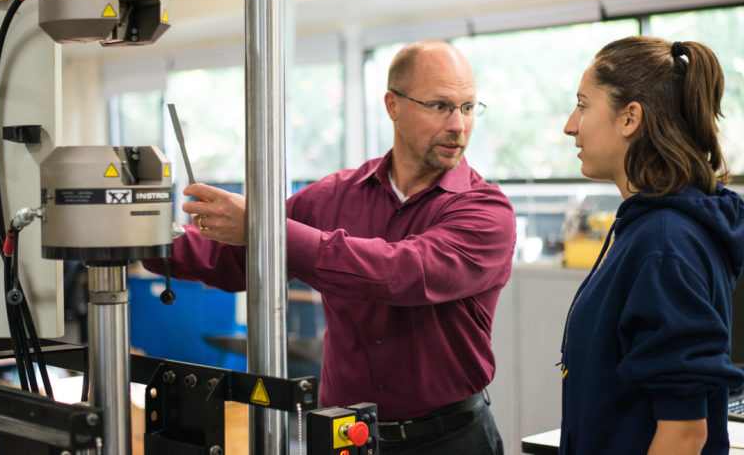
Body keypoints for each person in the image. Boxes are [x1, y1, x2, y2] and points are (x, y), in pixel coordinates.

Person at [143, 40, 516, 454]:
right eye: (440, 106)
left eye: (468, 108)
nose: (458, 125)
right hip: (344, 438)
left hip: (449, 441)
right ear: (393, 105)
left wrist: (264, 226)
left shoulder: (485, 211)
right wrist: (137, 238)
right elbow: (235, 259)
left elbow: (398, 273)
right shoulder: (332, 197)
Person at [560, 35, 744, 455]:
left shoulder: (664, 245)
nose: (570, 124)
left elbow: (684, 433)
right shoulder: (649, 231)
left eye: (583, 105)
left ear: (630, 118)